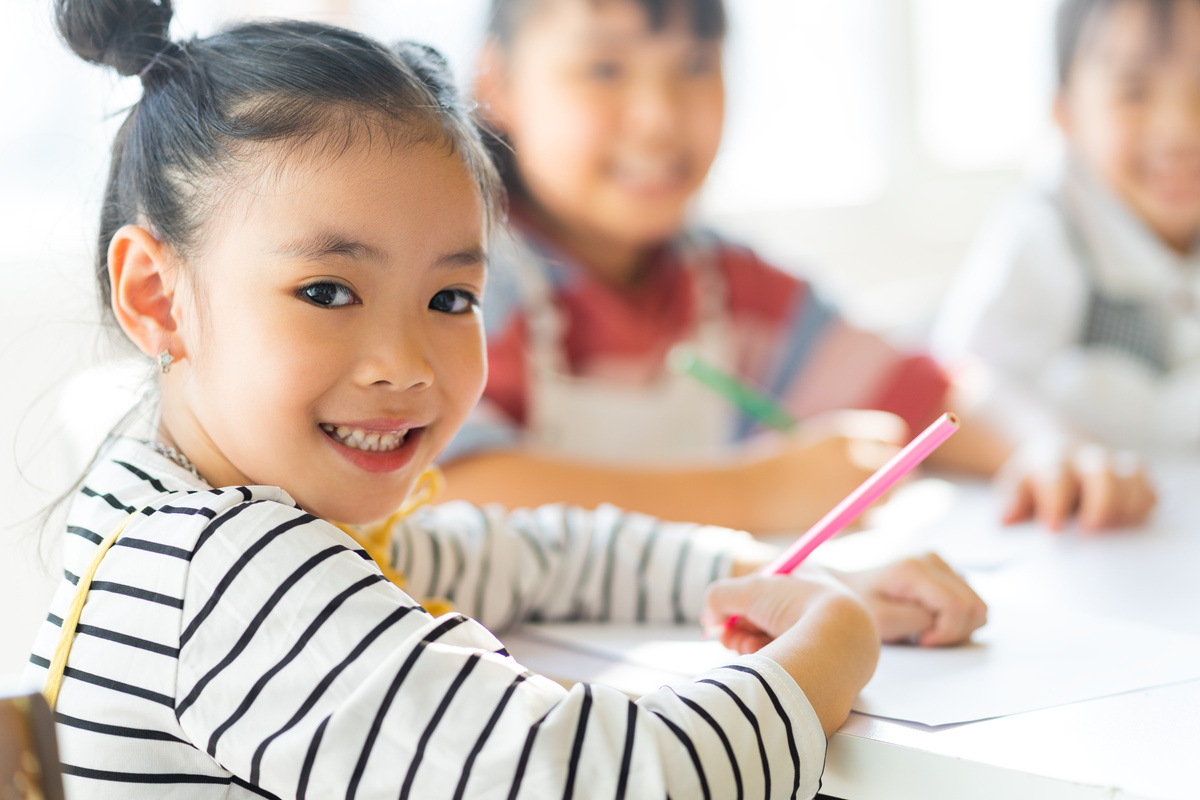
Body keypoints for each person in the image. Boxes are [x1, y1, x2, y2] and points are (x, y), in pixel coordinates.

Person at [26, 2, 986, 798]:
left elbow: (533, 553)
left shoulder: (187, 508)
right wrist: (826, 652)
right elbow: (610, 778)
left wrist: (771, 573)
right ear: (158, 297)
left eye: (452, 298)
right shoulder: (232, 575)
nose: (405, 362)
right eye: (327, 292)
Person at [438, 0, 1150, 533]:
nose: (658, 115)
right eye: (604, 69)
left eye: (694, 66)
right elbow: (446, 486)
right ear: (496, 83)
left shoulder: (730, 288)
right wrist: (761, 492)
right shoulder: (459, 281)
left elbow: (935, 392)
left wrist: (1046, 447)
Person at [934, 0, 1195, 524]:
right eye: (1134, 93)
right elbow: (963, 389)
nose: (1180, 129)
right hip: (1079, 534)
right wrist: (1051, 446)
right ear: (1067, 115)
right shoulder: (1045, 230)